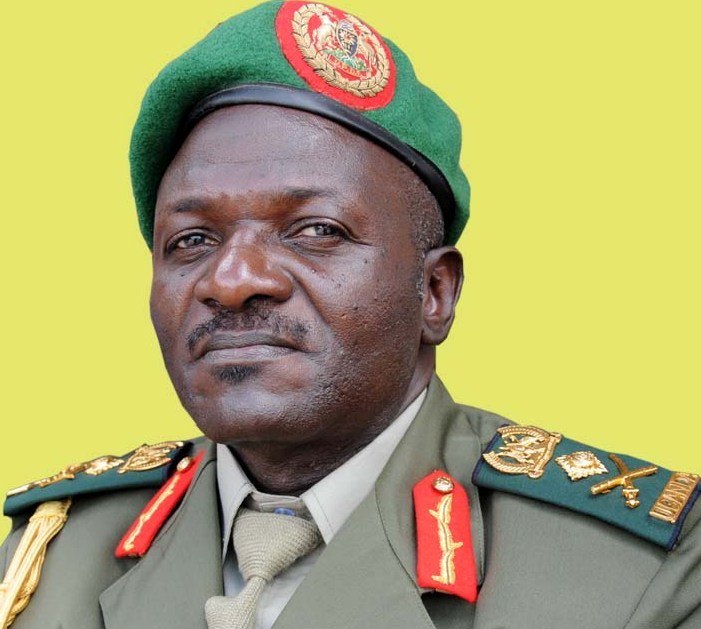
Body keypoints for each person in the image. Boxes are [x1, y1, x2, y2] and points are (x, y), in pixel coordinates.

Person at [0, 2, 699, 628]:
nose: (232, 280)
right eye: (191, 241)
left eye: (316, 231)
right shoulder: (53, 550)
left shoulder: (636, 577)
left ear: (435, 291)